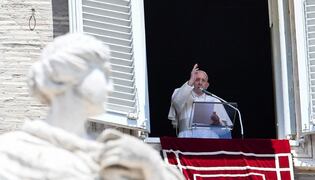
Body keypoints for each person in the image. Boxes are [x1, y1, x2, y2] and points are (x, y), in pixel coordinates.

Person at [0, 33, 184, 180]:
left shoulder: (124, 154)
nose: (110, 88)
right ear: (69, 73)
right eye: (105, 74)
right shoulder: (11, 153)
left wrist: (151, 165)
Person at [168, 64, 233, 138]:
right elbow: (176, 102)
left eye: (203, 80)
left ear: (206, 85)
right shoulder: (180, 93)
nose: (200, 83)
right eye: (197, 79)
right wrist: (191, 80)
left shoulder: (215, 100)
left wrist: (217, 122)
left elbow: (226, 129)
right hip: (186, 138)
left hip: (209, 139)